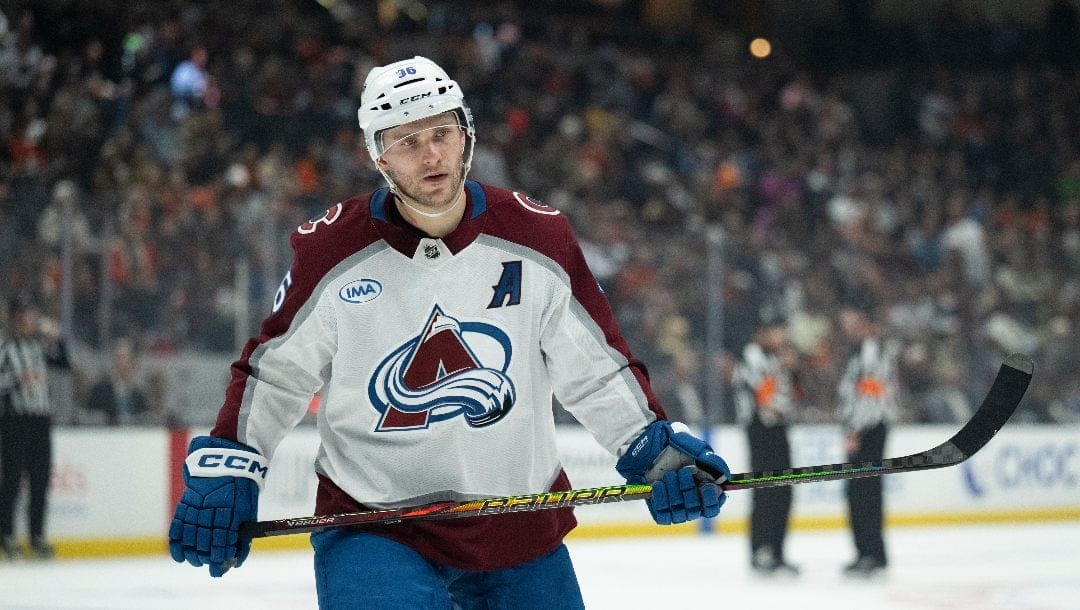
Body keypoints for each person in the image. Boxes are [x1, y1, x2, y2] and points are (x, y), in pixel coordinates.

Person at [168, 56, 730, 608]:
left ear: (466, 135)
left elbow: (595, 369)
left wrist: (652, 448)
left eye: (442, 132)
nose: (431, 155)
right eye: (407, 141)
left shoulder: (538, 237)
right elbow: (276, 375)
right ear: (378, 156)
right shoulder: (330, 251)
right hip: (378, 529)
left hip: (516, 523)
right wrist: (235, 459)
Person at [0, 295, 72, 560]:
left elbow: (64, 364)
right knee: (12, 480)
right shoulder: (5, 347)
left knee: (40, 481)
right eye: (26, 316)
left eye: (33, 316)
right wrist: (19, 380)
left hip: (41, 421)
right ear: (16, 318)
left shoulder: (39, 347)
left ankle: (36, 535)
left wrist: (58, 338)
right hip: (15, 420)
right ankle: (7, 535)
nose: (31, 321)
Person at [732, 316, 801, 576]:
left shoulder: (774, 360)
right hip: (761, 432)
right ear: (762, 333)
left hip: (776, 431)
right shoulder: (753, 359)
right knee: (766, 491)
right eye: (778, 333)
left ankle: (777, 550)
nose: (782, 339)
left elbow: (795, 396)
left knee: (782, 491)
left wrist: (792, 371)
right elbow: (766, 402)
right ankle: (762, 550)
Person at [836, 305, 900, 578]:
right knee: (863, 493)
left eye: (853, 323)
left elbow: (868, 398)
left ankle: (870, 553)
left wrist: (854, 430)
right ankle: (869, 552)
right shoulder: (866, 353)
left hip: (868, 430)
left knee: (864, 493)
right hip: (868, 428)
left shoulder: (871, 353)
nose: (849, 330)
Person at [84, 337, 152, 425]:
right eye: (118, 358)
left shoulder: (140, 395)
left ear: (134, 363)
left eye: (125, 358)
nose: (121, 363)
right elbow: (89, 419)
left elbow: (145, 420)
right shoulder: (99, 391)